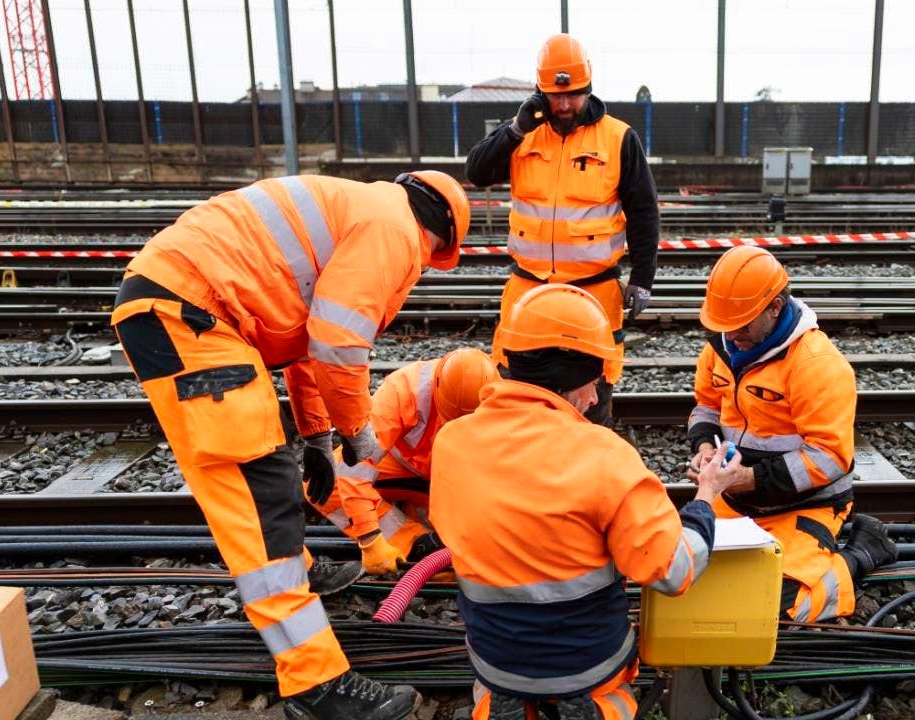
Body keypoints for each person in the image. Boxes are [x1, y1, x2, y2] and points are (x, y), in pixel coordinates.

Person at [111, 172, 469, 720]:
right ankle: (314, 682)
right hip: (190, 312)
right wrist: (354, 431)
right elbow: (338, 342)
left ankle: (296, 572)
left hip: (188, 308)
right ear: (441, 239)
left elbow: (306, 348)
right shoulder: (395, 231)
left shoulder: (362, 210)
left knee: (266, 471)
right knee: (258, 491)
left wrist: (318, 439)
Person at [430, 284, 747, 720]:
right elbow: (673, 572)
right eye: (595, 384)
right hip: (587, 662)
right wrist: (707, 495)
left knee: (498, 683)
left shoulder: (450, 443)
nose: (595, 399)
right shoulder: (604, 455)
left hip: (494, 660)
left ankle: (503, 701)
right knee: (611, 698)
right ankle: (602, 707)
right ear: (573, 381)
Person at [685, 246, 898, 624]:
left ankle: (861, 554)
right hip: (735, 499)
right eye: (725, 325)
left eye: (743, 325)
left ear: (776, 307)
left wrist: (746, 479)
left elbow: (829, 457)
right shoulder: (720, 346)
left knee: (780, 607)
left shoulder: (816, 364)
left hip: (802, 506)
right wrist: (704, 449)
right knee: (686, 575)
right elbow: (706, 407)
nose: (733, 336)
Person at [465, 33, 660, 426]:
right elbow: (476, 172)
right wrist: (514, 130)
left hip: (593, 291)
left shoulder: (618, 138)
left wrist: (643, 278)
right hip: (529, 290)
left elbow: (644, 210)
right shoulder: (524, 135)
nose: (565, 104)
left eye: (574, 95)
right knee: (517, 393)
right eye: (556, 96)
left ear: (588, 89)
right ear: (540, 93)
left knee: (592, 401)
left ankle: (594, 472)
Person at [304, 347, 497, 574]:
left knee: (456, 565)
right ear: (437, 389)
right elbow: (355, 467)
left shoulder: (505, 399)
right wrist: (370, 539)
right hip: (401, 470)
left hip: (455, 480)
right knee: (325, 485)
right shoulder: (403, 391)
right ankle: (413, 542)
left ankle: (428, 524)